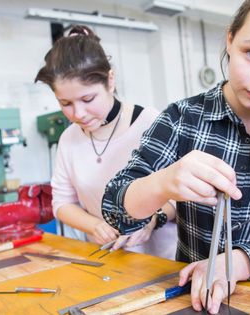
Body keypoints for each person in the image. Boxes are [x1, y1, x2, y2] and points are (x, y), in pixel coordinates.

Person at [102, 0, 250, 313]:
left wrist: (240, 262)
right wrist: (163, 184)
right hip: (199, 303)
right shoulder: (182, 119)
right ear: (230, 39)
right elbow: (114, 208)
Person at [34, 25, 177, 260]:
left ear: (110, 80)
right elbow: (61, 203)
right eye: (65, 103)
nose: (78, 113)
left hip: (161, 261)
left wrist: (152, 220)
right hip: (107, 260)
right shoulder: (68, 140)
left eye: (87, 98)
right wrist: (94, 225)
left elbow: (178, 195)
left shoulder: (150, 122)